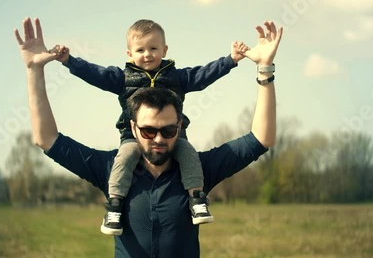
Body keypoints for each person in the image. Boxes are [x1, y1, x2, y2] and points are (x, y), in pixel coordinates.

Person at [14, 17, 282, 258]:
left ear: (179, 125)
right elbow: (46, 138)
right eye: (147, 131)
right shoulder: (110, 168)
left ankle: (198, 203)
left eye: (168, 130)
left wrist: (264, 68)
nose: (158, 139)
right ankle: (114, 208)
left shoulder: (199, 169)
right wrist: (35, 70)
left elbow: (261, 139)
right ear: (132, 128)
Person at [49, 19, 250, 235]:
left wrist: (231, 60)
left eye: (153, 48)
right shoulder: (123, 78)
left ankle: (197, 200)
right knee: (124, 157)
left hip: (173, 134)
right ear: (129, 54)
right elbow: (94, 73)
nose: (147, 54)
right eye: (140, 49)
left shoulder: (176, 76)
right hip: (132, 135)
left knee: (189, 154)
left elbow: (203, 75)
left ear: (164, 50)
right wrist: (69, 61)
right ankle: (114, 207)